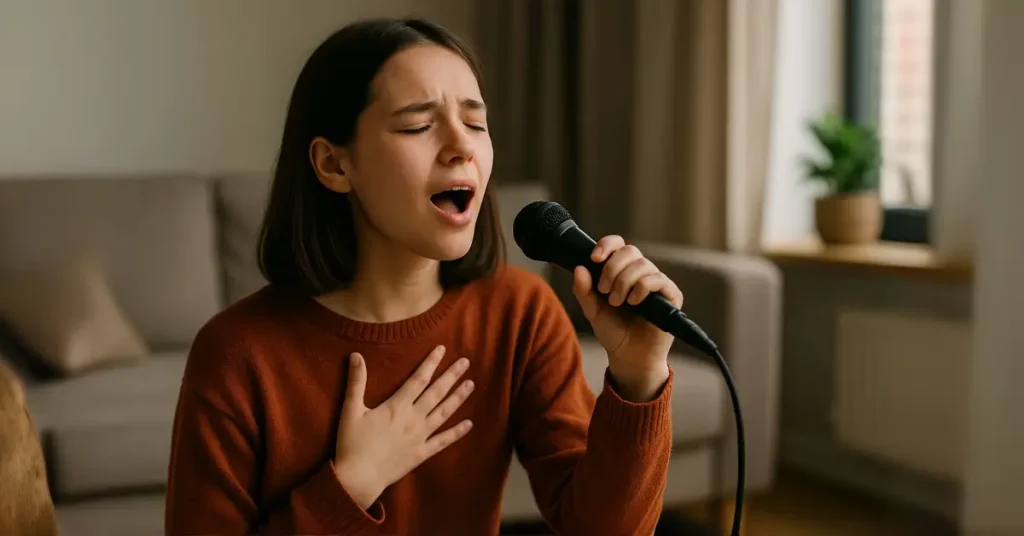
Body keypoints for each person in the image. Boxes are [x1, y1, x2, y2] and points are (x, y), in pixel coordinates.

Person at [165, 17, 681, 536]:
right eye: (418, 126)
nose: (462, 147)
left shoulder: (519, 313)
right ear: (334, 165)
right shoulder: (235, 354)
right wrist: (352, 485)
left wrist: (639, 378)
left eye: (475, 123)